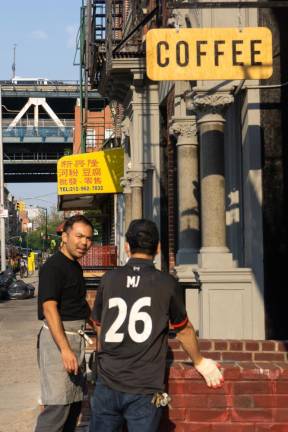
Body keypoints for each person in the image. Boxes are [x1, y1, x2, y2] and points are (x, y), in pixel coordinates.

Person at [89, 219, 224, 432]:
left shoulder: (109, 278)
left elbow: (98, 324)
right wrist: (199, 361)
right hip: (145, 386)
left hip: (107, 381)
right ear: (159, 248)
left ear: (127, 246)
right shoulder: (166, 283)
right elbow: (183, 330)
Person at [35, 215, 94, 432]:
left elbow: (78, 303)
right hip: (58, 341)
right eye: (79, 236)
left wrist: (97, 326)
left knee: (74, 405)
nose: (84, 243)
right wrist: (65, 350)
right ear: (65, 236)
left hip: (74, 339)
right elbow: (49, 308)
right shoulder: (53, 267)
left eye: (88, 238)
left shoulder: (74, 266)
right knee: (57, 407)